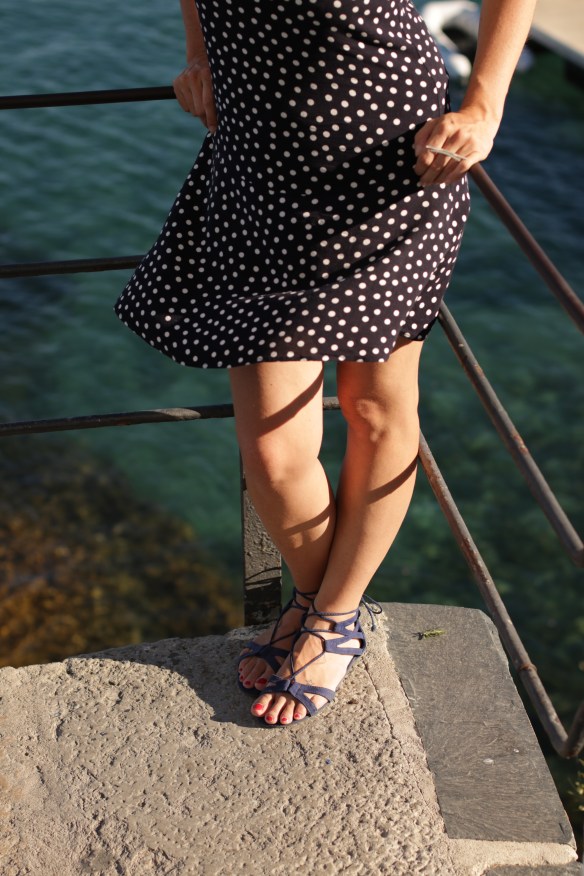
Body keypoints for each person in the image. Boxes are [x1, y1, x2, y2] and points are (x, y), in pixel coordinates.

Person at [115, 0, 536, 726]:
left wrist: (485, 104)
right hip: (259, 167)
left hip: (389, 157)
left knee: (375, 408)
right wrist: (199, 52)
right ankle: (318, 598)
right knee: (273, 452)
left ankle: (332, 615)